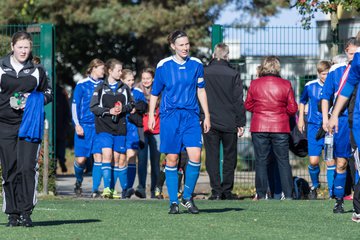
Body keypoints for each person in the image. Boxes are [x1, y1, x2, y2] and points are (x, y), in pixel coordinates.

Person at [148, 30, 211, 214]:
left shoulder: (197, 64)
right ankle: (173, 201)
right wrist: (152, 115)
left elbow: (201, 90)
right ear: (173, 46)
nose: (185, 48)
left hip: (191, 116)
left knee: (196, 156)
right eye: (181, 45)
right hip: (170, 117)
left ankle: (187, 198)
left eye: (187, 44)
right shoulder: (164, 66)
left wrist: (207, 115)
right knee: (172, 158)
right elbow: (154, 93)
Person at [0, 31, 53, 227]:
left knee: (27, 168)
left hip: (30, 124)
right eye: (20, 47)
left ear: (31, 49)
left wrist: (34, 100)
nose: (23, 51)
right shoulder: (1, 67)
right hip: (4, 125)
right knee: (10, 169)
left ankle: (25, 212)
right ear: (12, 47)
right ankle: (12, 213)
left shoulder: (38, 70)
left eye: (27, 47)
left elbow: (48, 93)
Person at [244, 55, 297, 200]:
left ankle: (261, 194)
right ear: (278, 67)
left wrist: (260, 110)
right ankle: (288, 194)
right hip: (280, 127)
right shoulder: (285, 84)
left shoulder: (255, 84)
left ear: (264, 67)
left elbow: (248, 105)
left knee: (261, 161)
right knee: (283, 161)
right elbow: (293, 109)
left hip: (259, 126)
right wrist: (280, 112)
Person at [202, 43, 246, 200]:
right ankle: (227, 190)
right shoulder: (233, 74)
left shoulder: (204, 72)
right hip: (229, 121)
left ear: (214, 55)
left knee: (212, 156)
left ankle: (216, 190)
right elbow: (238, 100)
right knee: (229, 157)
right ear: (227, 56)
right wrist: (241, 122)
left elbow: (199, 95)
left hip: (209, 120)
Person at [320, 38, 358, 213]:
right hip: (341, 122)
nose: (354, 56)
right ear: (346, 51)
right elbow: (326, 96)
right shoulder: (337, 72)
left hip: (356, 119)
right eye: (352, 53)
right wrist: (326, 119)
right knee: (341, 162)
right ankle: (339, 199)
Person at [90, 60, 135, 199]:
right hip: (103, 127)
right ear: (110, 71)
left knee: (117, 158)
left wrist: (123, 108)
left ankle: (116, 189)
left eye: (121, 70)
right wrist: (109, 111)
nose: (121, 73)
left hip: (120, 128)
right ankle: (107, 188)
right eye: (118, 70)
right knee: (107, 155)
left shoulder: (125, 88)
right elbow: (93, 108)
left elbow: (131, 105)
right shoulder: (100, 88)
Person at [297, 60, 331, 199]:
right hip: (313, 126)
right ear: (318, 73)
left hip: (329, 128)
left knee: (330, 160)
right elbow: (302, 101)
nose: (326, 76)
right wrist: (300, 118)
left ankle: (333, 191)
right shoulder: (310, 86)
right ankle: (315, 185)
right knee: (313, 161)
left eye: (328, 73)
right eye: (323, 74)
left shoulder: (334, 85)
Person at [72, 58, 104, 197]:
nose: (104, 71)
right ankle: (78, 181)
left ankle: (95, 189)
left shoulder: (105, 85)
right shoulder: (82, 84)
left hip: (99, 126)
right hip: (84, 126)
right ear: (93, 68)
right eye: (102, 68)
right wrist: (77, 124)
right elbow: (75, 106)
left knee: (99, 157)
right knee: (81, 160)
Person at [120, 69, 147, 198]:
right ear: (122, 80)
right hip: (118, 128)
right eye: (128, 80)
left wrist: (136, 107)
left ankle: (128, 188)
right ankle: (121, 187)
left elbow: (144, 106)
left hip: (132, 129)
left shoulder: (138, 92)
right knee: (120, 159)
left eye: (132, 80)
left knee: (131, 156)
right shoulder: (117, 92)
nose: (131, 83)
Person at [136, 68, 161, 199]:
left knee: (155, 161)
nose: (146, 81)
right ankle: (141, 187)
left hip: (157, 130)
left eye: (148, 78)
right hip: (142, 130)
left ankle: (155, 190)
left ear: (153, 79)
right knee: (142, 160)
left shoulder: (159, 91)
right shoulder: (136, 91)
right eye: (143, 78)